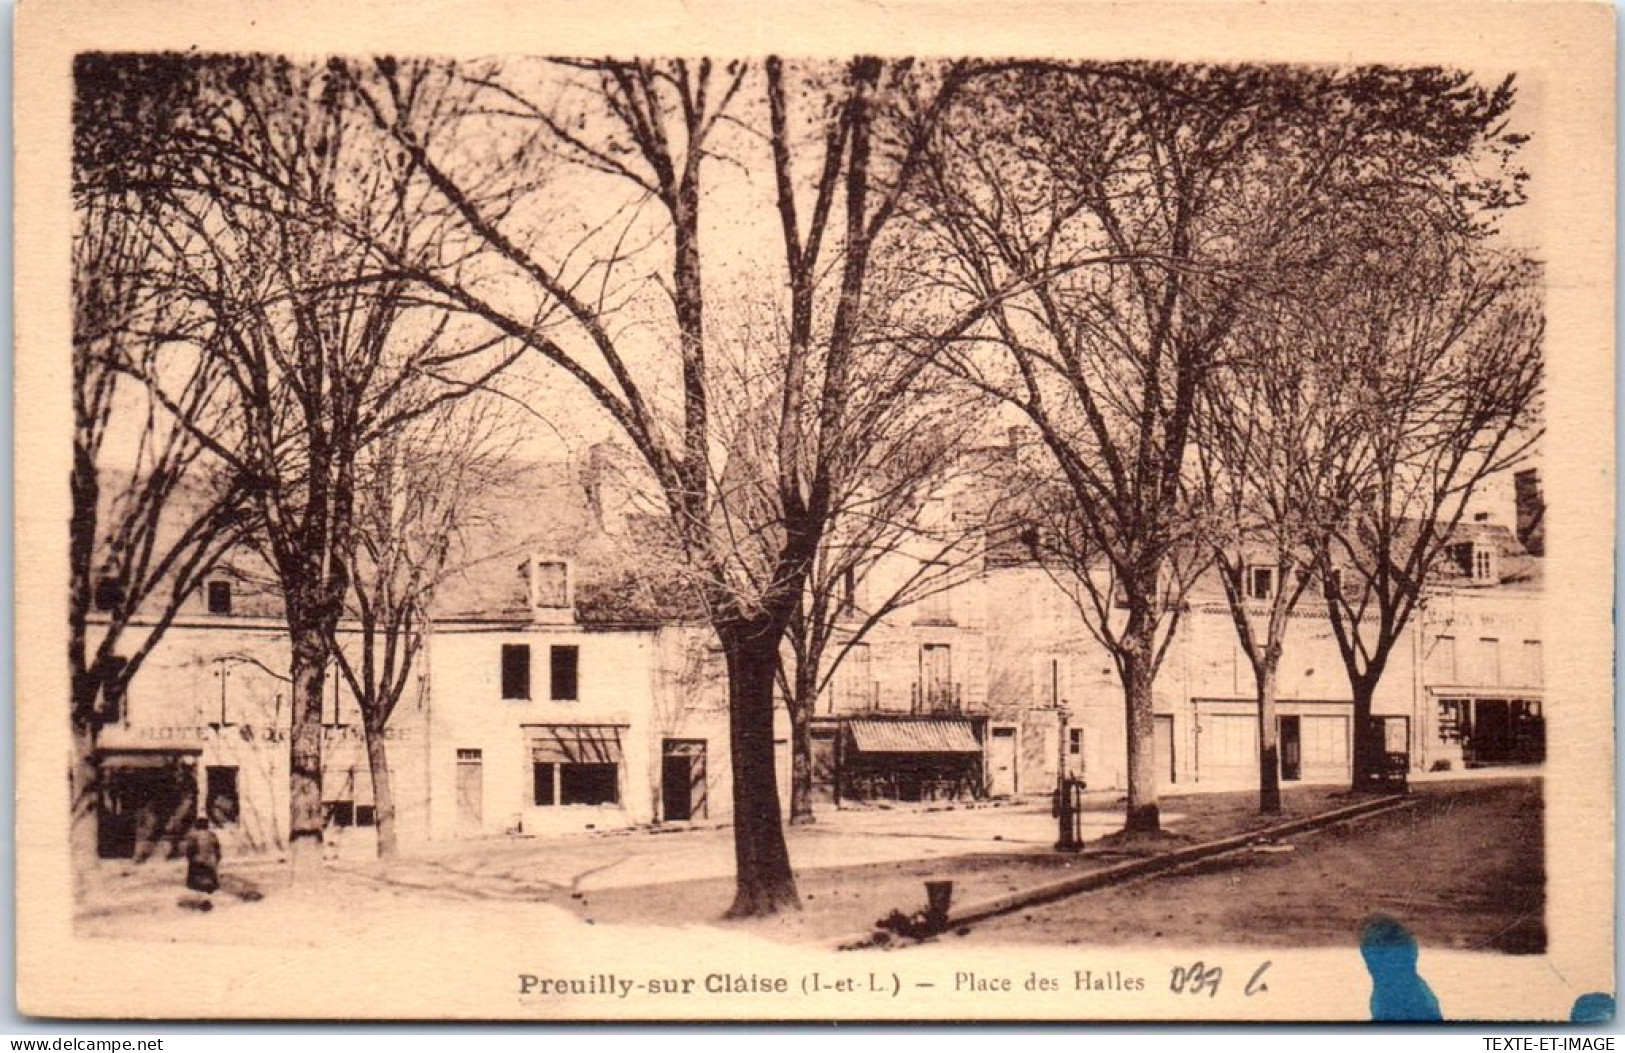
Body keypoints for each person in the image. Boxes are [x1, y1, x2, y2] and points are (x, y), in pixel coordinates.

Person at [183, 816, 221, 895]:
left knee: (197, 870)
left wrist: (190, 858)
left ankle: (198, 885)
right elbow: (217, 848)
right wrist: (217, 858)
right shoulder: (212, 835)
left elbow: (190, 849)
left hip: (197, 860)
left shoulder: (193, 835)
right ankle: (209, 884)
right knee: (208, 871)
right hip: (210, 860)